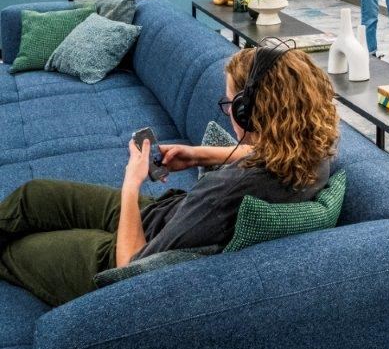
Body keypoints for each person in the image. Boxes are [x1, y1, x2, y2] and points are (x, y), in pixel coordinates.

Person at [0, 41, 338, 306]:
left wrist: (131, 182)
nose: (228, 113)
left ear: (249, 112)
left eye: (230, 104)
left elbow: (132, 271)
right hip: (160, 217)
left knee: (17, 250)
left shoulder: (221, 193)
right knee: (34, 194)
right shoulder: (313, 153)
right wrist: (197, 155)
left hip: (117, 257)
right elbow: (266, 152)